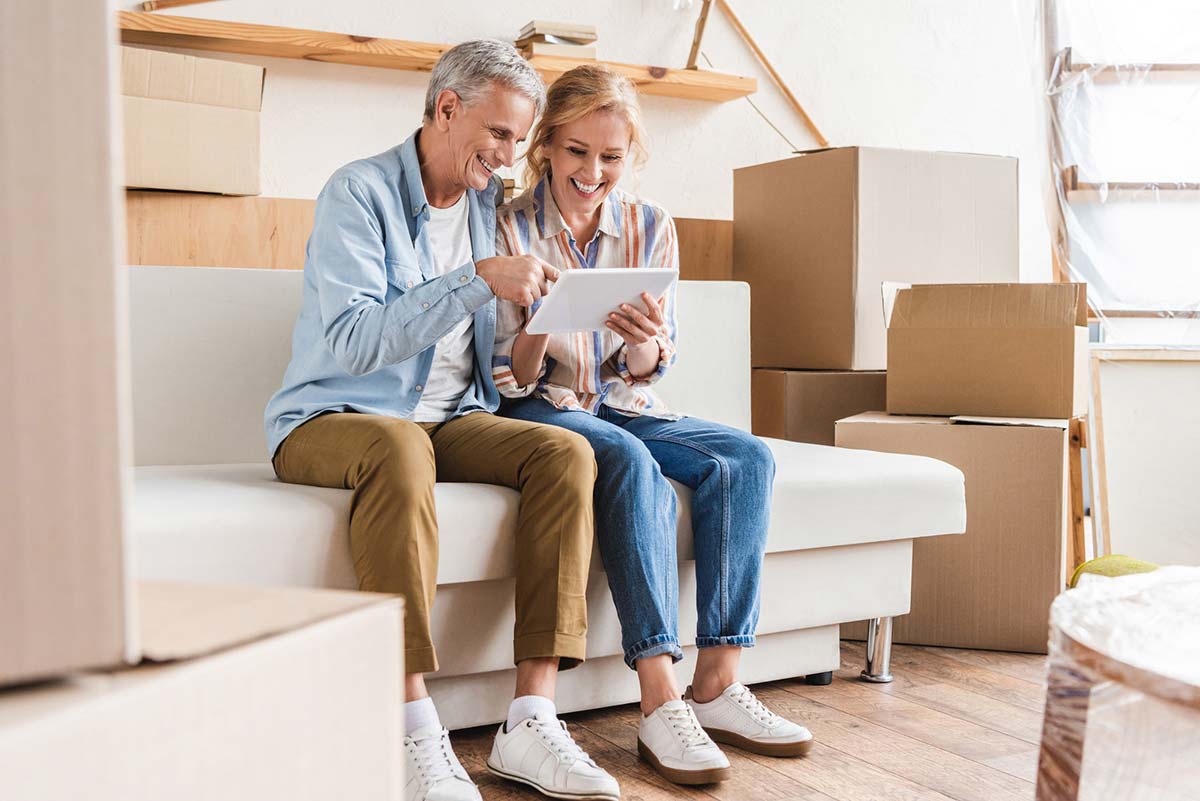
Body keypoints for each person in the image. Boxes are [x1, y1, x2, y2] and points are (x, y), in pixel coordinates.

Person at [264, 41, 619, 801]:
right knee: (399, 446)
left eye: (518, 140)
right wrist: (477, 278)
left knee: (563, 454)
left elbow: (492, 354)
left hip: (451, 419)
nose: (507, 155)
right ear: (447, 108)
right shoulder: (356, 193)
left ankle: (530, 716)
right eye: (497, 134)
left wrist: (546, 313)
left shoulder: (492, 207)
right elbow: (356, 343)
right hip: (333, 417)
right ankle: (409, 721)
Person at [493, 64, 813, 786]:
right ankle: (657, 696)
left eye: (610, 156)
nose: (592, 171)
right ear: (546, 145)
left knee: (745, 459)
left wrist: (642, 344)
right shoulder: (507, 225)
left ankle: (719, 682)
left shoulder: (649, 225)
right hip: (542, 407)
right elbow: (501, 376)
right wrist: (543, 327)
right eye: (577, 151)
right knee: (632, 466)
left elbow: (648, 369)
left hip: (622, 403)